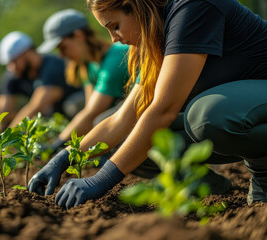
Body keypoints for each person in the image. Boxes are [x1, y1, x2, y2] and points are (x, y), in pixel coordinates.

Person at [28, 0, 267, 209]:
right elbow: (122, 119)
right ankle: (209, 187)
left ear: (135, 6)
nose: (113, 39)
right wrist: (63, 157)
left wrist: (101, 180)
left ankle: (262, 173)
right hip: (251, 108)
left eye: (115, 26)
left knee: (208, 116)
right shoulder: (157, 36)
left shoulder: (194, 7)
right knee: (129, 138)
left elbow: (163, 111)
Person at [37, 9, 131, 154]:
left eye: (63, 47)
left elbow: (92, 113)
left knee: (100, 120)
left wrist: (58, 146)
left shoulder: (115, 59)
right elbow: (89, 107)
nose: (61, 55)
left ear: (78, 36)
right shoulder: (88, 65)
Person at [0, 31, 83, 129]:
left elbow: (36, 107)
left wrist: (9, 139)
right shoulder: (14, 74)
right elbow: (1, 110)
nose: (11, 68)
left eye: (14, 61)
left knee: (72, 105)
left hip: (72, 109)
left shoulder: (53, 66)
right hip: (53, 115)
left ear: (28, 52)